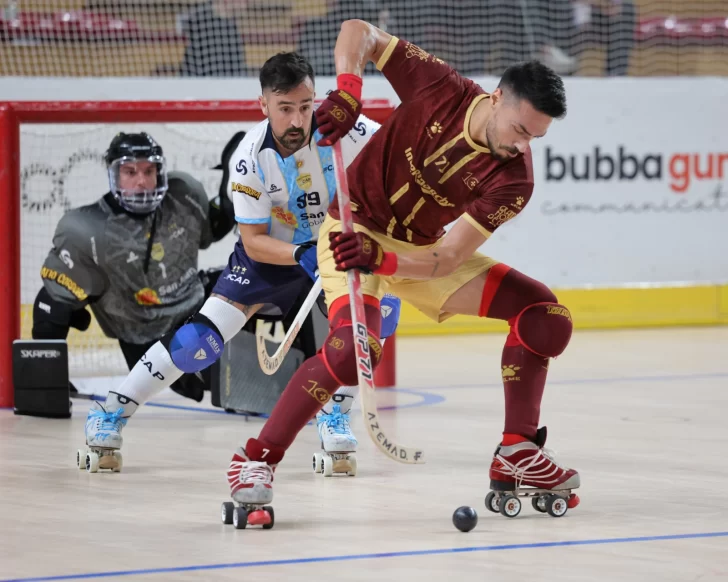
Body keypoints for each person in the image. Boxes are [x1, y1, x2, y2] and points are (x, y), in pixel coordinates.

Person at [227, 20, 581, 521]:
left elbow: (450, 258)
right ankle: (255, 461)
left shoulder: (514, 180)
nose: (523, 146)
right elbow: (360, 32)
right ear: (498, 97)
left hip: (419, 256)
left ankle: (516, 450)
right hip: (352, 234)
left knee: (546, 315)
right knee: (352, 352)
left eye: (536, 138)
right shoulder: (440, 86)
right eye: (520, 130)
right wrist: (349, 90)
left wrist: (388, 261)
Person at [80, 51, 398, 473]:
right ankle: (112, 411)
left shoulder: (348, 129)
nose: (298, 121)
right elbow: (253, 242)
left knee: (374, 323)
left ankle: (334, 413)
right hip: (272, 257)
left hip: (335, 249)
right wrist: (303, 255)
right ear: (263, 105)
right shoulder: (248, 158)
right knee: (198, 342)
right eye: (285, 109)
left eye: (306, 107)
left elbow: (400, 162)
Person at [33, 132, 235, 406]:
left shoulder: (184, 194)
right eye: (130, 172)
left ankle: (303, 359)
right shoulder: (86, 229)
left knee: (252, 278)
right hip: (147, 336)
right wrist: (49, 378)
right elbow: (51, 304)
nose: (141, 181)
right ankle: (45, 387)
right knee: (50, 304)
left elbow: (210, 230)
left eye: (149, 171)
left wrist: (230, 196)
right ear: (113, 174)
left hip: (195, 307)